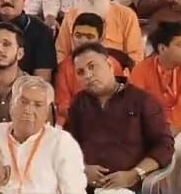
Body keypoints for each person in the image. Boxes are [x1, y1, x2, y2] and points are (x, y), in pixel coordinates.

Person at [66, 43, 175, 193]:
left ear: (109, 65)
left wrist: (135, 174)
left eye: (92, 67)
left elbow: (164, 145)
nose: (88, 75)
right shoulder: (79, 102)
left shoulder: (142, 100)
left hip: (125, 186)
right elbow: (68, 144)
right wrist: (82, 169)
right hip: (82, 185)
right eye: (80, 72)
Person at [0, 76, 87, 193]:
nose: (28, 109)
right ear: (11, 104)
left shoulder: (62, 142)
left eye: (38, 105)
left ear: (47, 112)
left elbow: (74, 190)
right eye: (23, 102)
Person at [130, 21, 181, 190]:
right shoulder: (141, 69)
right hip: (149, 127)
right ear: (162, 48)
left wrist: (163, 138)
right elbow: (135, 106)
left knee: (173, 149)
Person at [55, 0, 144, 63]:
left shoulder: (126, 15)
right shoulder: (70, 17)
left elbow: (135, 55)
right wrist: (67, 70)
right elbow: (61, 52)